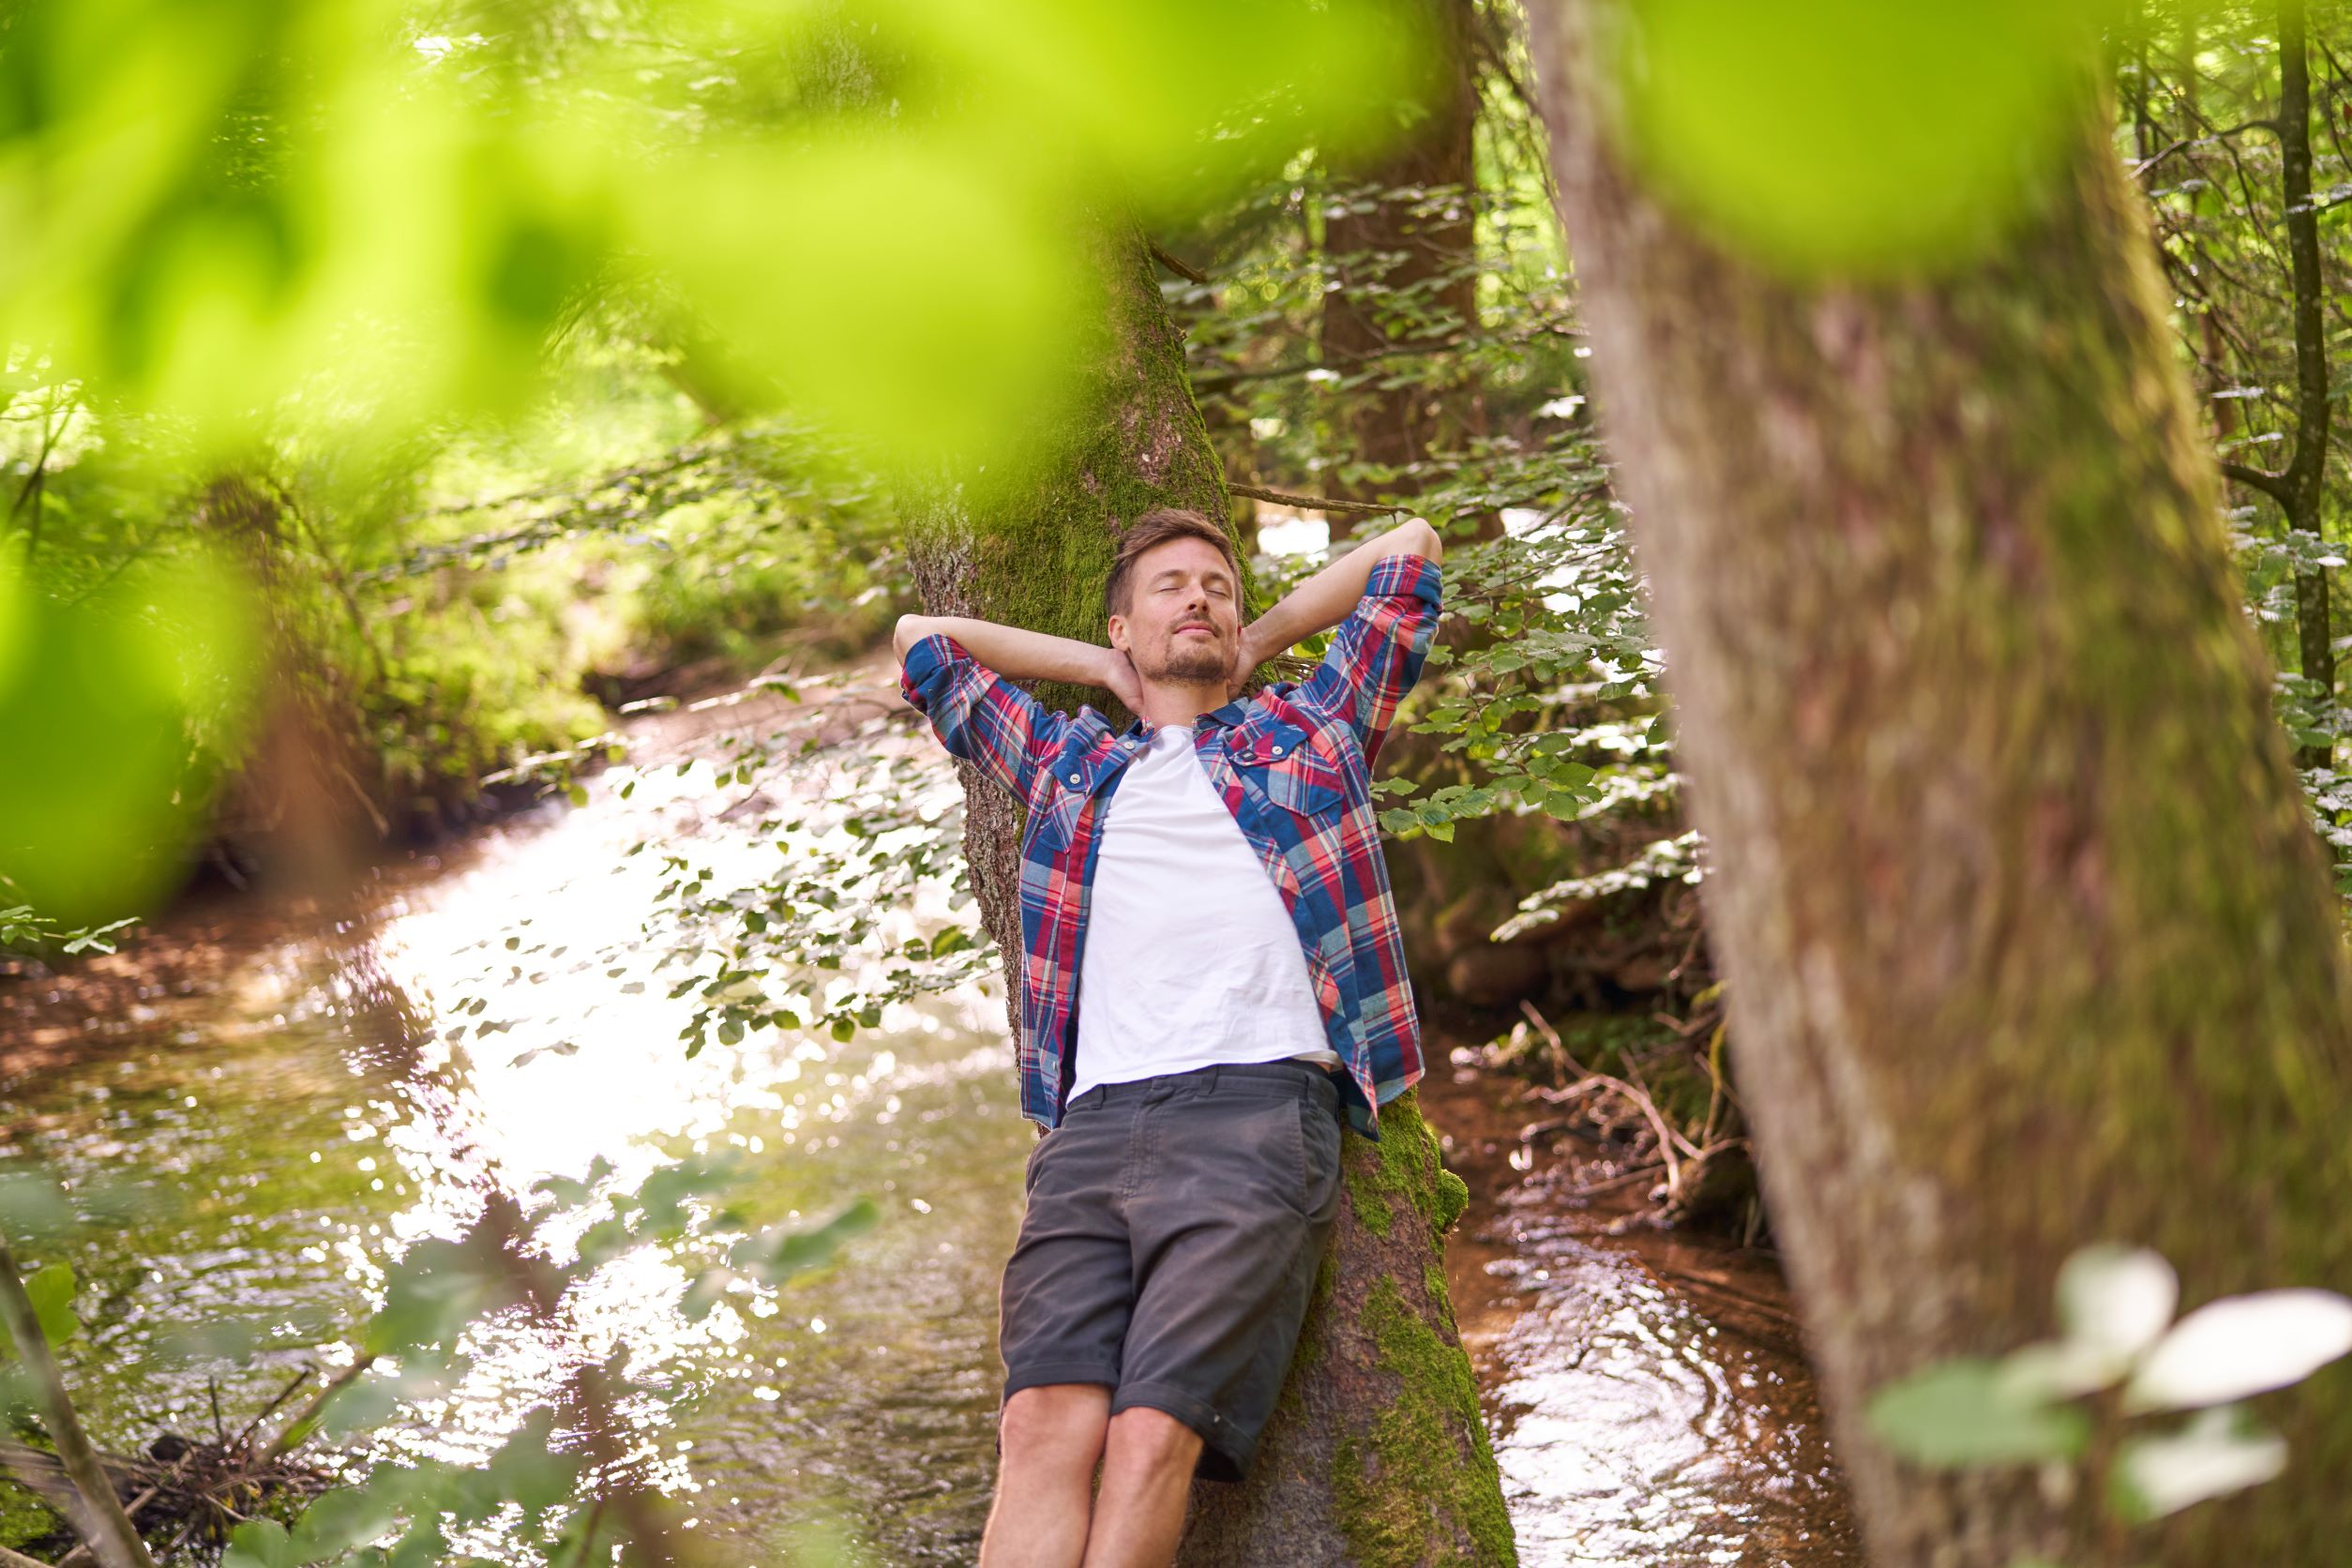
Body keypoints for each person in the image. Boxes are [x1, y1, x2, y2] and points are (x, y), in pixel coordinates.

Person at [893, 505, 1442, 1567]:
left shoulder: (1313, 735)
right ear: (1121, 625)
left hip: (1257, 1115)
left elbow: (1410, 547)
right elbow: (924, 642)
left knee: (1149, 1437)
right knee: (1040, 1426)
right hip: (1094, 1130)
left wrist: (1254, 635)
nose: (1198, 596)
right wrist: (1106, 670)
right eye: (1170, 587)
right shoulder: (1072, 769)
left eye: (1217, 587)